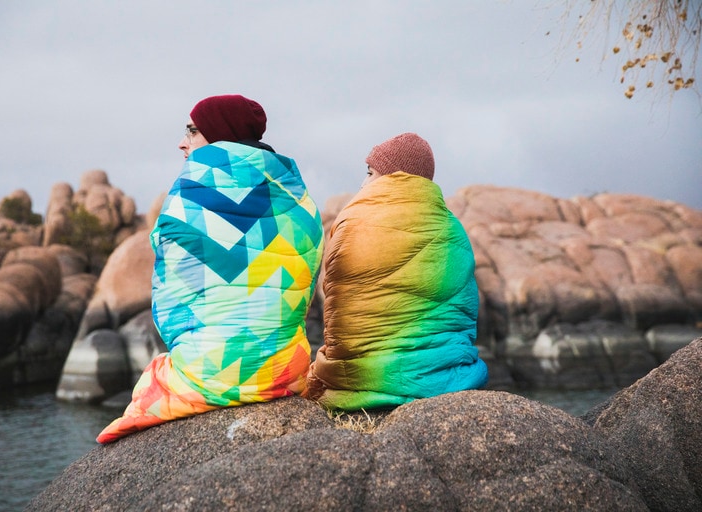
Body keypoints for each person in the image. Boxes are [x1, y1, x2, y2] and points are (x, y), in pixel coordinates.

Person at [97, 94, 324, 443]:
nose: (182, 143)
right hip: (287, 373)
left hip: (209, 373)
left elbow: (168, 304)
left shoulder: (190, 195)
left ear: (219, 135)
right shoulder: (299, 199)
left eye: (192, 132)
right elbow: (304, 292)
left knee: (152, 380)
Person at [306, 132, 488, 411]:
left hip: (362, 382)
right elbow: (465, 311)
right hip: (449, 380)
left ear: (392, 177)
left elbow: (335, 312)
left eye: (370, 173)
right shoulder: (453, 229)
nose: (364, 182)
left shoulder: (353, 219)